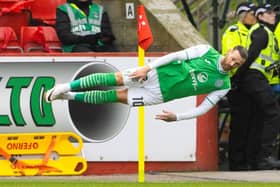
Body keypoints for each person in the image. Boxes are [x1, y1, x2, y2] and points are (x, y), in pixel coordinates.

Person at [45, 44, 247, 122]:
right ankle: (66, 87)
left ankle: (68, 96)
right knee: (115, 79)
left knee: (115, 96)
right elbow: (176, 55)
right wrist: (148, 68)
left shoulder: (224, 85)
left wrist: (177, 117)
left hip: (160, 95)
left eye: (236, 63)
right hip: (160, 73)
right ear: (228, 51)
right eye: (232, 58)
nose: (231, 63)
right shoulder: (206, 51)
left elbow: (203, 109)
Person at [232, 3, 280, 170]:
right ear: (260, 17)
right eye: (268, 12)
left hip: (257, 79)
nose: (273, 15)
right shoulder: (262, 32)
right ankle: (264, 156)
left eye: (274, 12)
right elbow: (251, 55)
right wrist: (237, 78)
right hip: (253, 78)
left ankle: (255, 159)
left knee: (259, 118)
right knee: (273, 112)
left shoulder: (268, 33)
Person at [221, 2, 257, 171]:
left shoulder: (256, 32)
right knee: (240, 124)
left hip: (251, 83)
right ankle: (236, 163)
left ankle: (247, 161)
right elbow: (231, 58)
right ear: (243, 15)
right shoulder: (233, 32)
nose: (255, 15)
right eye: (252, 12)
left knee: (251, 123)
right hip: (237, 84)